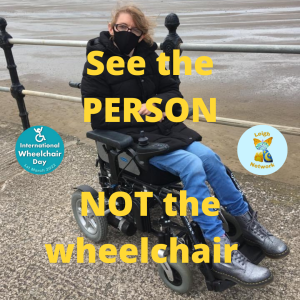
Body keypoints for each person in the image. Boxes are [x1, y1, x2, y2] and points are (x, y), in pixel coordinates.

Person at [81, 5, 289, 287]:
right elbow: (96, 114)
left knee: (210, 158)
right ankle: (220, 250)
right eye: (122, 28)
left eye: (134, 30)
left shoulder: (147, 56)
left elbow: (171, 90)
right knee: (192, 165)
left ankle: (249, 225)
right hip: (129, 139)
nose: (128, 34)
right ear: (111, 28)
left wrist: (155, 103)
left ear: (142, 34)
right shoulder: (97, 61)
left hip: (161, 130)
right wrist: (134, 110)